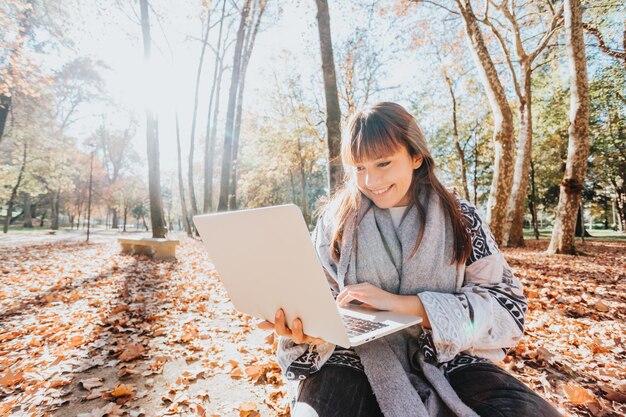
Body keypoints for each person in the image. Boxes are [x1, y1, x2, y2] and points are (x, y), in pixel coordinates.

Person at [259, 102, 562, 417]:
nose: (370, 181)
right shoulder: (335, 222)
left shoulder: (462, 218)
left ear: (416, 156)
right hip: (352, 355)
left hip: (448, 357)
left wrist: (410, 306)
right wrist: (311, 328)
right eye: (359, 167)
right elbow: (319, 294)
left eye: (383, 163)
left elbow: (506, 307)